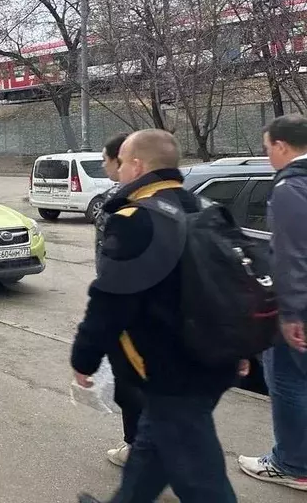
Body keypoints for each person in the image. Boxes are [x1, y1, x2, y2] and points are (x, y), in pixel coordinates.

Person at [73, 130, 240, 503]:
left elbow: (110, 300)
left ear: (137, 165)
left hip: (173, 369)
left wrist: (84, 357)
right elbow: (232, 285)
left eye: (121, 163)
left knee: (202, 480)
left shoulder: (137, 219)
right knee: (151, 450)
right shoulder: (206, 207)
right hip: (214, 356)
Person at [238, 113, 307, 491]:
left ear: (281, 145)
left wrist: (293, 313)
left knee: (285, 378)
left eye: (268, 150)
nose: (268, 159)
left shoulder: (290, 187)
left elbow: (292, 253)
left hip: (299, 305)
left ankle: (292, 464)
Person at [92, 132, 145, 469]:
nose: (104, 165)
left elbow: (109, 263)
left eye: (107, 160)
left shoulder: (113, 202)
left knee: (131, 382)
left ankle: (136, 447)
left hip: (128, 309)